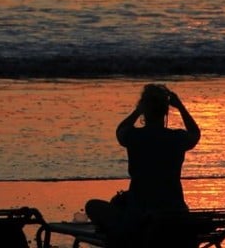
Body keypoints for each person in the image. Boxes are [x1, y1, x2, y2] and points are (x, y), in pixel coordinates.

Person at [85, 84, 201, 245]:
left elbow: (121, 130)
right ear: (165, 112)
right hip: (175, 214)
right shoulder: (177, 138)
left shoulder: (134, 136)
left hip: (139, 219)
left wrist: (138, 110)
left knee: (92, 206)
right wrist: (180, 107)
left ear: (145, 110)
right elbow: (195, 134)